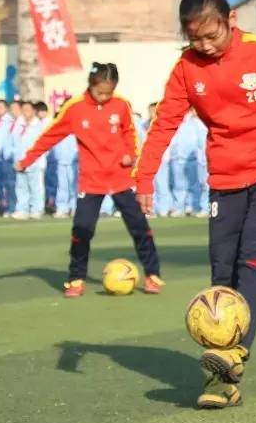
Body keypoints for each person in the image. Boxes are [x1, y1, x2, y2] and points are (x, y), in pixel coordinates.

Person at [136, 0, 256, 408]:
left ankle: (234, 354)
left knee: (253, 257)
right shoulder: (186, 68)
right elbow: (165, 122)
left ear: (231, 21)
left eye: (212, 36)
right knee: (222, 273)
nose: (203, 46)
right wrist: (144, 176)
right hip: (225, 174)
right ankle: (223, 381)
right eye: (194, 39)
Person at [17, 63, 163, 297]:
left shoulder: (121, 104)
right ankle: (76, 278)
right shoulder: (74, 108)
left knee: (139, 227)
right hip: (91, 181)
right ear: (90, 85)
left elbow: (130, 133)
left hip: (121, 178)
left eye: (109, 92)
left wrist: (131, 154)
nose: (104, 97)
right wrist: (27, 160)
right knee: (82, 229)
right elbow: (49, 136)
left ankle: (153, 275)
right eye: (100, 92)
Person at [12, 101, 45, 219]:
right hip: (20, 162)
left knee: (35, 188)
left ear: (33, 111)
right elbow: (15, 144)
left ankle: (36, 209)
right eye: (24, 109)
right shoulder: (18, 125)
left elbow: (42, 145)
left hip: (34, 163)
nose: (26, 112)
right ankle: (22, 209)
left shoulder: (39, 126)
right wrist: (15, 160)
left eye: (28, 109)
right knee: (21, 188)